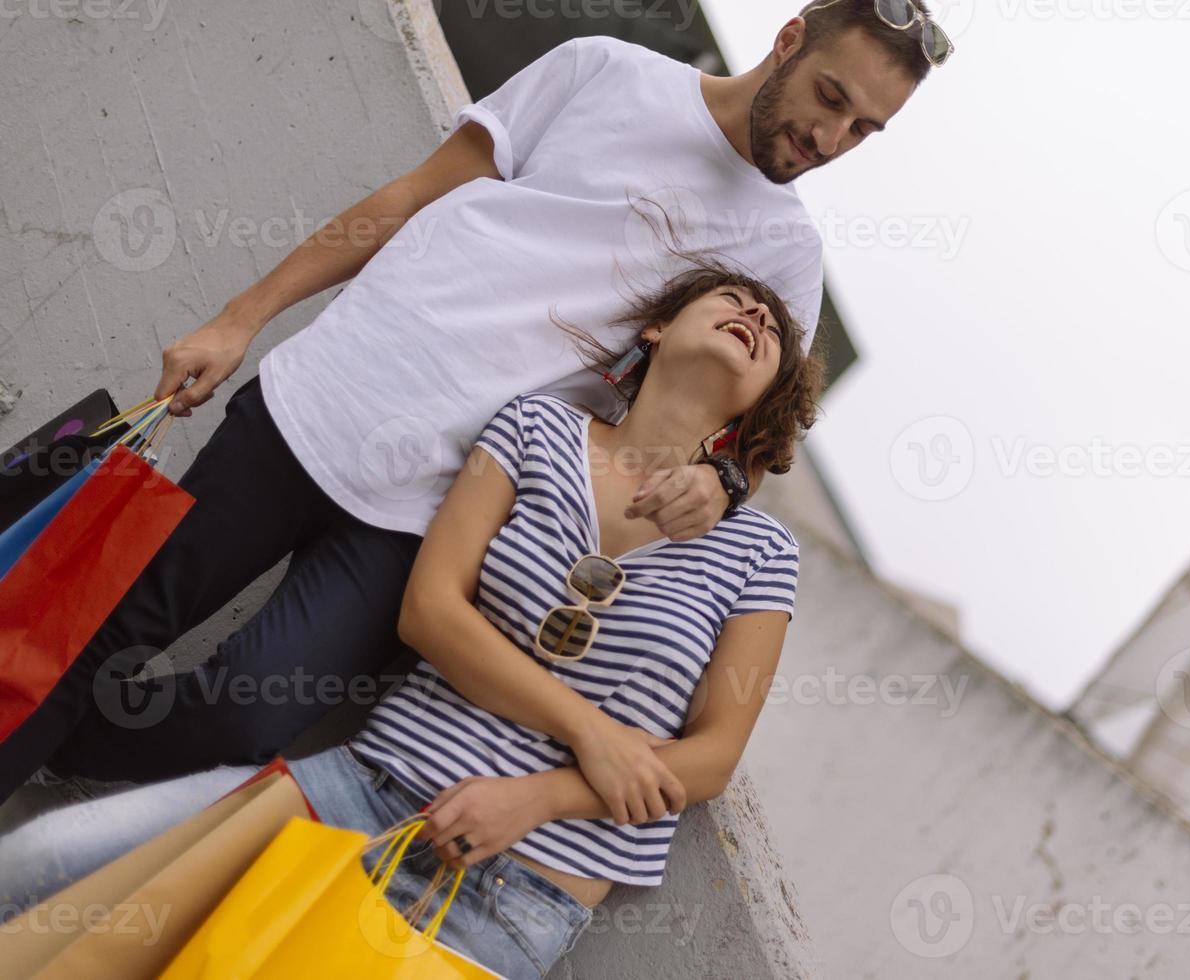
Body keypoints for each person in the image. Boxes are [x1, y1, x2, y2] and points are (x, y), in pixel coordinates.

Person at [0, 0, 944, 801]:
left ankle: (43, 754)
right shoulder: (604, 72)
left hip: (452, 507)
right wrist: (239, 318)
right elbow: (414, 193)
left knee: (252, 712)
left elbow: (753, 438)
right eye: (830, 98)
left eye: (864, 130)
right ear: (786, 43)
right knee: (112, 628)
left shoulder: (785, 253)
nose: (829, 140)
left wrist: (721, 488)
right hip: (331, 397)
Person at [0, 266, 824, 978]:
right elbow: (431, 611)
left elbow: (711, 756)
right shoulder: (534, 429)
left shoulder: (758, 550)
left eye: (770, 329)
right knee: (40, 867)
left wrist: (538, 797)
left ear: (763, 406)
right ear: (654, 326)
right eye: (729, 295)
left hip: (512, 892)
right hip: (361, 788)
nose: (752, 313)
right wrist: (592, 732)